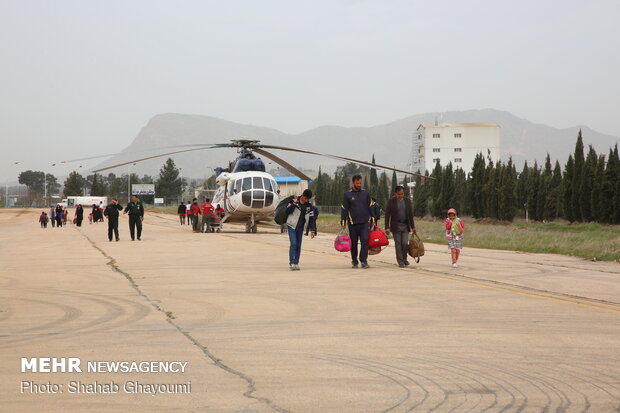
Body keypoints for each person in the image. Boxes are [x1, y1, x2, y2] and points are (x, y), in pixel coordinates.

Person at [340, 174, 374, 269]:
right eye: (357, 183)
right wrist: (343, 223)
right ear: (353, 183)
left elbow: (370, 206)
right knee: (354, 243)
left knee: (364, 241)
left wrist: (373, 219)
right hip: (352, 224)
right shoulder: (347, 195)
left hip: (364, 223)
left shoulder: (365, 193)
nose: (359, 185)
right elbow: (344, 209)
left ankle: (363, 260)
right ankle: (354, 261)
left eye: (360, 183)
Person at [384, 186, 417, 268]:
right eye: (399, 194)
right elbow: (387, 215)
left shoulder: (407, 201)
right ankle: (400, 261)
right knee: (398, 244)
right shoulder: (391, 201)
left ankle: (405, 258)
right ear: (396, 193)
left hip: (405, 225)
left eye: (402, 194)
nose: (401, 195)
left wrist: (413, 227)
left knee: (405, 243)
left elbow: (410, 215)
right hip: (396, 226)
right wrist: (387, 227)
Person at [285, 189, 317, 270]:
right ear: (302, 195)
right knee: (294, 243)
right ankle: (292, 262)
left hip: (300, 227)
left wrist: (313, 230)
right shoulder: (294, 200)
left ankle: (296, 263)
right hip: (291, 226)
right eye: (305, 198)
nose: (306, 200)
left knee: (298, 245)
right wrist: (294, 204)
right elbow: (287, 211)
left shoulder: (309, 206)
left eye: (308, 199)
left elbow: (312, 218)